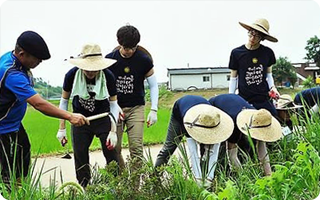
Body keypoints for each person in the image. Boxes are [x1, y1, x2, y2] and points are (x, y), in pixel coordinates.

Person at [0, 31, 88, 186]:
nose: (39, 62)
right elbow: (38, 104)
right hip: (3, 129)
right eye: (37, 59)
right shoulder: (12, 73)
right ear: (22, 54)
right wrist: (70, 116)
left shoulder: (16, 60)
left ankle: (20, 191)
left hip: (13, 125)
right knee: (8, 172)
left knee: (23, 158)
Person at [57, 43, 119, 188]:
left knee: (111, 153)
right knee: (80, 154)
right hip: (79, 119)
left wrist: (113, 131)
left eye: (94, 69)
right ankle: (85, 187)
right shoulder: (72, 75)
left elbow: (114, 104)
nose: (90, 72)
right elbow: (64, 101)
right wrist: (62, 128)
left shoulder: (108, 76)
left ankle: (116, 186)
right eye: (87, 68)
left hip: (103, 117)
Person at [105, 25, 159, 170]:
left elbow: (153, 85)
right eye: (125, 48)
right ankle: (122, 182)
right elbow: (103, 87)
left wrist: (154, 110)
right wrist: (113, 107)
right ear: (119, 43)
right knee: (114, 149)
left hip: (136, 108)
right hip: (115, 108)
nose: (128, 51)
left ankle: (135, 188)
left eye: (132, 48)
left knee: (136, 149)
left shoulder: (144, 60)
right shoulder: (109, 60)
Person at [155, 95, 234, 186]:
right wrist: (198, 180)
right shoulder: (190, 124)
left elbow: (213, 153)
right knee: (169, 148)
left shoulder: (214, 121)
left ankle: (206, 180)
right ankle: (155, 180)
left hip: (201, 112)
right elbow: (194, 154)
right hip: (181, 112)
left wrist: (209, 178)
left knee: (206, 151)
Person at [209, 94, 282, 176]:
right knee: (220, 145)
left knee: (247, 144)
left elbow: (262, 149)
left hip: (234, 101)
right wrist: (243, 176)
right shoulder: (234, 123)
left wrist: (269, 174)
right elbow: (231, 155)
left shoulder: (258, 117)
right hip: (214, 106)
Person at [228, 18, 280, 117]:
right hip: (244, 99)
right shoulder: (236, 53)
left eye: (257, 36)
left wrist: (273, 87)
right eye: (251, 33)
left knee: (275, 119)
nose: (252, 38)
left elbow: (269, 75)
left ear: (262, 38)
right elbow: (233, 78)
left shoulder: (267, 53)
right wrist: (231, 97)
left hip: (263, 98)